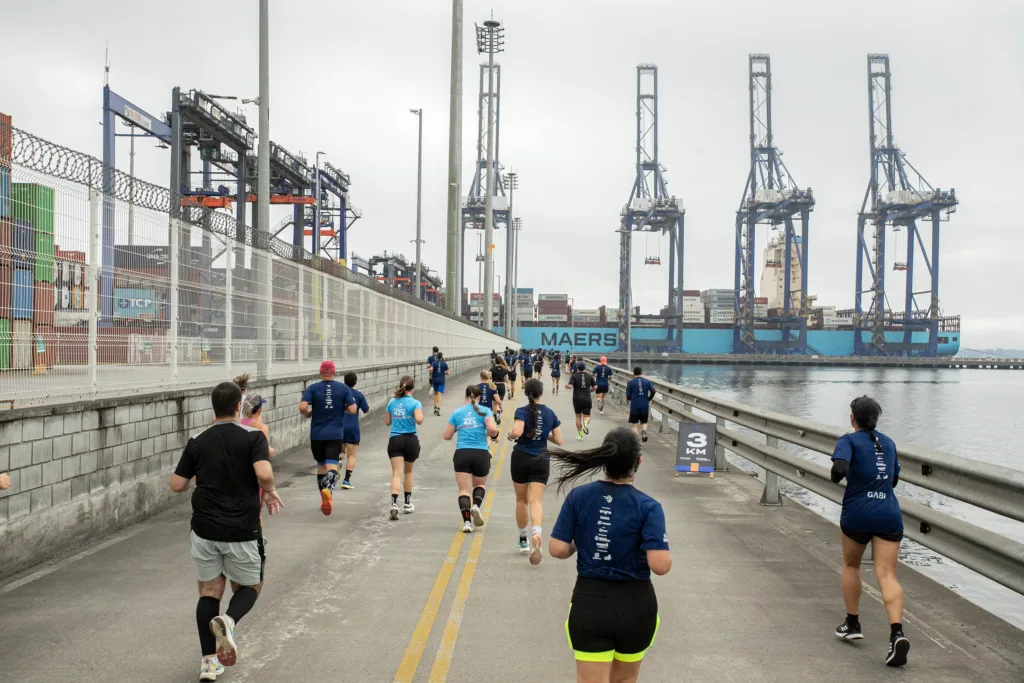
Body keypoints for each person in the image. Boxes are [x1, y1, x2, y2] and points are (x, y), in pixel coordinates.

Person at [171, 381, 284, 681]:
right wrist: (270, 490)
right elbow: (263, 473)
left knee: (209, 592)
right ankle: (229, 621)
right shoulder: (253, 436)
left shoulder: (198, 439)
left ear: (213, 407)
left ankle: (209, 662)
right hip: (242, 529)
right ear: (238, 406)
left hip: (204, 529)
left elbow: (177, 485)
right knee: (250, 586)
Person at [548, 427, 671, 683]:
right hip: (636, 605)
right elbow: (659, 565)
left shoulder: (578, 496)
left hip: (590, 602)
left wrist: (580, 543)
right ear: (638, 462)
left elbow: (558, 549)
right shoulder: (649, 507)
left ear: (604, 459)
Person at [831, 396, 910, 667]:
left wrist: (838, 474)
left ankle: (852, 623)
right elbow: (894, 478)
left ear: (853, 418)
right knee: (887, 574)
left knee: (851, 565)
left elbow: (839, 468)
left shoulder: (848, 440)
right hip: (888, 514)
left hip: (857, 514)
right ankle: (896, 634)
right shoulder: (888, 443)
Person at [507, 378, 563, 564]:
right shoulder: (550, 413)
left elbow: (516, 432)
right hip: (541, 459)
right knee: (536, 501)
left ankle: (523, 540)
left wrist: (510, 435)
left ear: (526, 393)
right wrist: (542, 432)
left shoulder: (521, 411)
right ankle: (536, 535)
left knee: (521, 500)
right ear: (541, 392)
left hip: (521, 457)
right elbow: (559, 440)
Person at [298, 361, 357, 516]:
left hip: (317, 435)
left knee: (321, 467)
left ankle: (324, 498)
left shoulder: (313, 388)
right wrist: (341, 407)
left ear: (320, 373)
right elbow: (352, 409)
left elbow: (302, 407)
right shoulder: (343, 388)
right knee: (332, 467)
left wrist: (308, 414)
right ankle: (328, 491)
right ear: (334, 373)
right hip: (335, 434)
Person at [443, 385, 500, 532]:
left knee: (463, 490)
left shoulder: (457, 412)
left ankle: (467, 523)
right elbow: (493, 430)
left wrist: (459, 427)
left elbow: (446, 436)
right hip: (481, 453)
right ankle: (475, 505)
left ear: (466, 396)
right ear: (480, 398)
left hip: (462, 453)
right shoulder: (485, 411)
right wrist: (494, 436)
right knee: (479, 486)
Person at [384, 376, 425, 520]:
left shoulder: (392, 402)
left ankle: (394, 504)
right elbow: (419, 420)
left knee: (396, 473)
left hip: (395, 439)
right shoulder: (415, 403)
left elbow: (387, 422)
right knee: (408, 471)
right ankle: (407, 503)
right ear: (412, 389)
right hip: (410, 439)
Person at [341, 372, 371, 489]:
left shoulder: (339, 394)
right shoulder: (358, 395)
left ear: (344, 381)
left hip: (338, 427)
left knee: (339, 452)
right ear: (355, 382)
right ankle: (346, 480)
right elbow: (366, 409)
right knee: (352, 455)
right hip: (352, 428)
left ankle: (338, 462)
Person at [625, 367, 657, 443]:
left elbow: (628, 396)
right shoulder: (647, 382)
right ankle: (643, 430)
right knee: (644, 422)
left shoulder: (631, 383)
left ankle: (636, 441)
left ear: (633, 373)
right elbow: (653, 390)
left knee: (634, 424)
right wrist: (649, 398)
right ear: (641, 373)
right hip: (644, 406)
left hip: (635, 406)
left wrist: (630, 398)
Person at [566, 362, 597, 440]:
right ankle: (585, 423)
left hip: (577, 399)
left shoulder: (574, 376)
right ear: (585, 368)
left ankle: (580, 435)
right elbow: (595, 387)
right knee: (586, 416)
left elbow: (570, 386)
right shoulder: (589, 376)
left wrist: (567, 386)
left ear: (577, 368)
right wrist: (591, 390)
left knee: (578, 416)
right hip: (587, 398)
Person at [430, 352, 450, 416]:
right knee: (440, 394)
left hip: (435, 380)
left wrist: (431, 375)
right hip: (441, 380)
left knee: (435, 394)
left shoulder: (434, 363)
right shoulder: (444, 364)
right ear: (441, 357)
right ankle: (438, 408)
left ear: (437, 357)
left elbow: (431, 369)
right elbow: (448, 372)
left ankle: (435, 407)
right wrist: (444, 372)